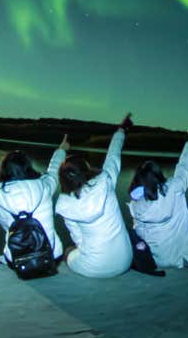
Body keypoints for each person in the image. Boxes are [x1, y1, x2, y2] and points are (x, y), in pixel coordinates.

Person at [55, 113, 134, 278]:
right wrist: (121, 131)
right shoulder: (106, 181)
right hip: (125, 260)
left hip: (92, 268)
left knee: (68, 250)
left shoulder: (66, 204)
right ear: (86, 169)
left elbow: (77, 237)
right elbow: (113, 155)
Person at [128, 128, 188, 272]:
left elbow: (138, 231)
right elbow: (184, 167)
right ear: (158, 175)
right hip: (179, 257)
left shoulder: (136, 204)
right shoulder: (174, 188)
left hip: (155, 258)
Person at [0, 136, 69, 265]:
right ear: (28, 166)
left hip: (17, 260)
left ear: (4, 169)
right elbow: (54, 171)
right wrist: (61, 150)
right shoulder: (44, 186)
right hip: (51, 256)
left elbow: (6, 226)